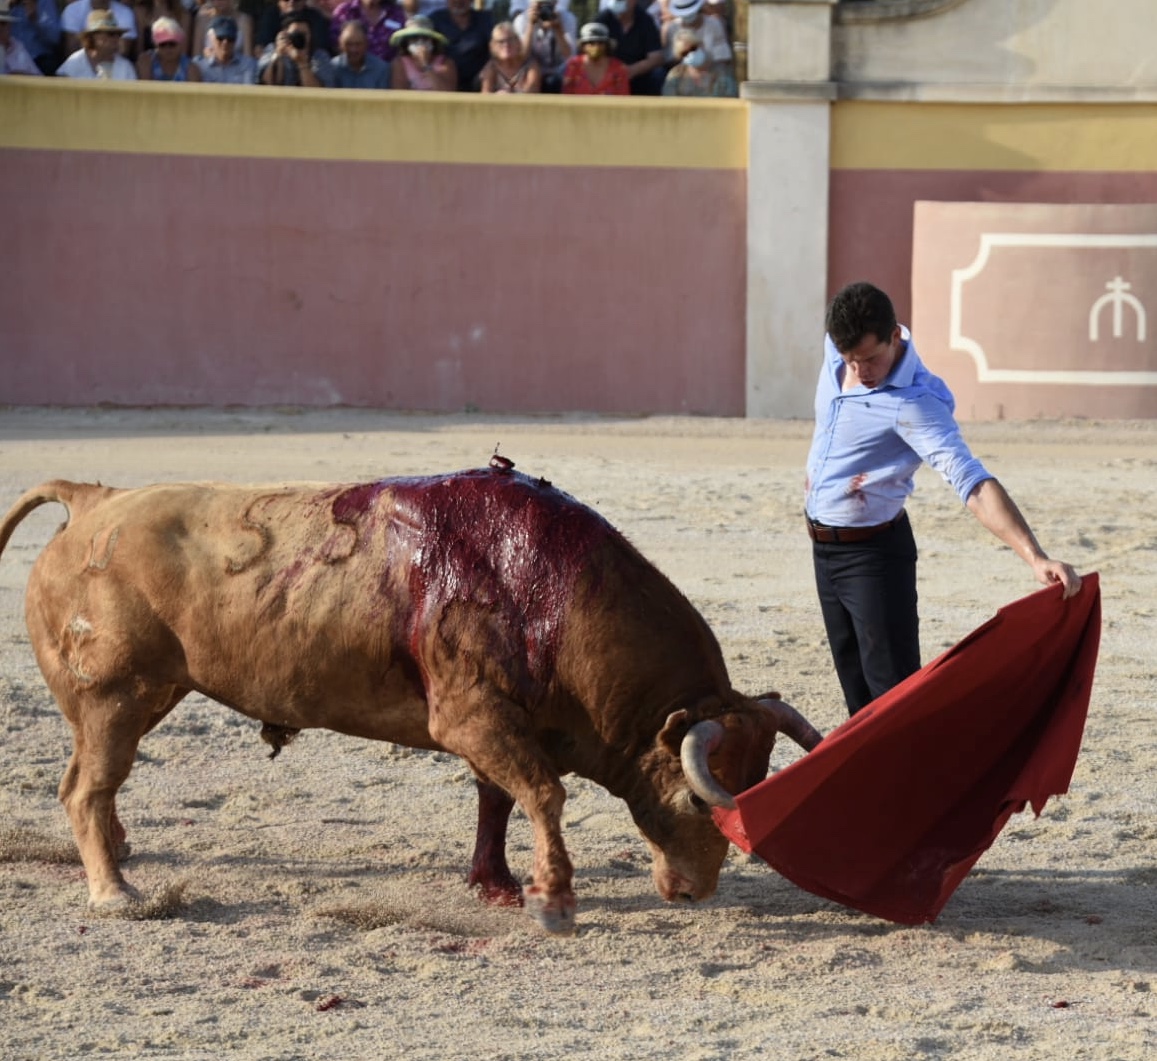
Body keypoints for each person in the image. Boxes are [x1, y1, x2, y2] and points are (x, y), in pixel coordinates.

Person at [805, 281, 1083, 717]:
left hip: (872, 560)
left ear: (895, 335)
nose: (861, 371)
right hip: (823, 552)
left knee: (895, 704)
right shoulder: (838, 350)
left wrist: (1035, 556)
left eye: (871, 358)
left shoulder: (917, 403)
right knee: (858, 704)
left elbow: (971, 481)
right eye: (850, 360)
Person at [595, 0, 661, 95]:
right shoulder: (602, 19)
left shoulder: (645, 20)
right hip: (607, 73)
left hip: (638, 74)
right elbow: (591, 53)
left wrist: (631, 70)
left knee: (658, 74)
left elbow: (657, 57)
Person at [510, 0, 572, 93]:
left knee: (554, 80)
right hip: (530, 72)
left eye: (548, 5)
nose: (544, 9)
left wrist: (558, 29)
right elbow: (521, 58)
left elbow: (570, 56)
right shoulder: (521, 20)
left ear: (556, 2)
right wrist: (530, 26)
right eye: (540, 5)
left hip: (558, 73)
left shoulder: (567, 18)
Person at [258, 7, 332, 84]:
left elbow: (318, 93)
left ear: (311, 36)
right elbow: (266, 83)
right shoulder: (272, 50)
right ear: (286, 34)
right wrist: (278, 55)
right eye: (295, 34)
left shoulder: (320, 56)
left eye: (304, 34)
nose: (299, 37)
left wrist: (302, 63)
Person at [429, 0, 489, 91]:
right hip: (444, 82)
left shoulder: (485, 19)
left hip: (479, 81)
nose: (459, 1)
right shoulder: (435, 19)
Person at [660, 24, 733, 97]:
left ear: (702, 45)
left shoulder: (722, 71)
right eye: (685, 53)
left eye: (693, 48)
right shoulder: (676, 74)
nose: (691, 54)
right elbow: (668, 101)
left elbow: (730, 98)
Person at [57, 7, 135, 73]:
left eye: (118, 34)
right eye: (111, 34)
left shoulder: (126, 68)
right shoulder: (73, 63)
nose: (116, 38)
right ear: (93, 36)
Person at [388, 13, 453, 89]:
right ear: (407, 42)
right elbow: (399, 94)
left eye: (425, 38)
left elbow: (447, 94)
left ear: (433, 41)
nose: (420, 42)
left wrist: (425, 65)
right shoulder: (399, 63)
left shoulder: (446, 63)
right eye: (415, 38)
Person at [561, 20, 626, 95]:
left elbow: (624, 99)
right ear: (583, 45)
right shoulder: (574, 66)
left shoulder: (619, 68)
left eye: (600, 42)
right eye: (591, 42)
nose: (596, 46)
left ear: (606, 45)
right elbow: (566, 96)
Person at [660, 0, 729, 68]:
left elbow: (723, 57)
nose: (687, 15)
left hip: (714, 72)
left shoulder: (714, 24)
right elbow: (669, 60)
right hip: (683, 74)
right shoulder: (672, 28)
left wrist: (705, 61)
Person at [329, 0, 402, 62]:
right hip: (351, 72)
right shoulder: (345, 11)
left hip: (389, 72)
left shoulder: (395, 13)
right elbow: (335, 44)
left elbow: (401, 47)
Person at [479, 19, 539, 93]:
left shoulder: (530, 66)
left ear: (518, 42)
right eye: (501, 42)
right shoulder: (491, 67)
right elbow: (485, 95)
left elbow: (533, 92)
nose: (506, 45)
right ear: (493, 46)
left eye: (510, 39)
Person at [257, 0, 330, 59]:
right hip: (281, 61)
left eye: (297, 0)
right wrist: (277, 54)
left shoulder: (315, 17)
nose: (291, 2)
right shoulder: (271, 15)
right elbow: (260, 49)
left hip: (311, 63)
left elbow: (322, 49)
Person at [193, 13, 256, 81]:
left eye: (230, 38)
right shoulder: (199, 66)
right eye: (220, 38)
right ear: (210, 38)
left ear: (236, 39)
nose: (225, 42)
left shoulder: (247, 66)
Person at [5, 0, 62, 75]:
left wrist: (35, 18)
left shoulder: (45, 2)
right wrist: (6, 7)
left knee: (50, 66)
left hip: (39, 59)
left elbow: (54, 38)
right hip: (7, 56)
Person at [328, 17, 389, 87]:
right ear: (340, 44)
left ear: (366, 43)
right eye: (348, 44)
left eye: (358, 44)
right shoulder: (333, 67)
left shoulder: (381, 69)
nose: (353, 49)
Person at [60, 0, 135, 56]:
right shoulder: (72, 9)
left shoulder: (125, 12)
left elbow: (123, 51)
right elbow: (71, 49)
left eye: (111, 34)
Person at [136, 15, 201, 78]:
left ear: (181, 43)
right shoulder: (145, 62)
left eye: (172, 44)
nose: (167, 48)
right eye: (162, 44)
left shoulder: (191, 69)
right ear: (155, 45)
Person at [0, 0, 43, 72]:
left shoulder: (17, 47)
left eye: (3, 23)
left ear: (10, 26)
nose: (0, 28)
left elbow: (38, 78)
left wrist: (22, 77)